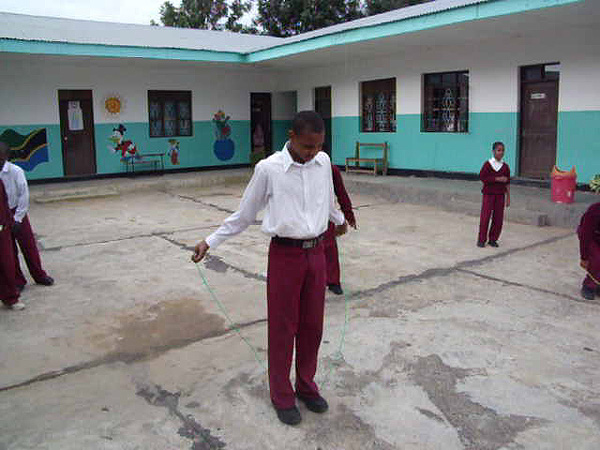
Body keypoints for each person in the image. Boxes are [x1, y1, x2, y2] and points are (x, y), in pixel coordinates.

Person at [192, 111, 347, 426]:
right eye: (307, 146)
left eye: (318, 146)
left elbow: (328, 199)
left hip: (316, 253)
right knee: (282, 328)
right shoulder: (268, 169)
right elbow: (244, 214)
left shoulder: (323, 163)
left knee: (312, 327)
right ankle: (282, 395)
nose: (312, 152)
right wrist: (210, 241)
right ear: (291, 135)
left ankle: (306, 386)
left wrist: (340, 220)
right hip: (285, 256)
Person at [0, 142, 54, 290]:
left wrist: (18, 218)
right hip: (2, 215)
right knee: (9, 250)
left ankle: (39, 275)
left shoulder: (15, 171)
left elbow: (23, 194)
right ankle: (17, 280)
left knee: (28, 245)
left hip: (17, 211)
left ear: (6, 156)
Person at [324, 164, 356, 295]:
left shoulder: (330, 169)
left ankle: (333, 282)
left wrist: (348, 215)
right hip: (301, 216)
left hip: (326, 214)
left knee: (329, 247)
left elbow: (341, 192)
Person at [477, 141, 510, 248]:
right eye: (498, 150)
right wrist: (496, 178)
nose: (501, 153)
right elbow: (482, 177)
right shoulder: (488, 164)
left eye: (502, 150)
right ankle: (481, 239)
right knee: (485, 217)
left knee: (498, 218)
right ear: (493, 151)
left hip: (500, 195)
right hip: (488, 194)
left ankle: (493, 239)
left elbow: (507, 182)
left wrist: (508, 197)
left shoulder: (505, 167)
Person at [0, 178, 24, 310]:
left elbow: (4, 204)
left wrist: (10, 221)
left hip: (3, 227)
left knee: (6, 263)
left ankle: (10, 297)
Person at [578, 202, 600, 300]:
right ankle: (588, 286)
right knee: (597, 259)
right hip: (590, 237)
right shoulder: (595, 210)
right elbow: (585, 235)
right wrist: (584, 258)